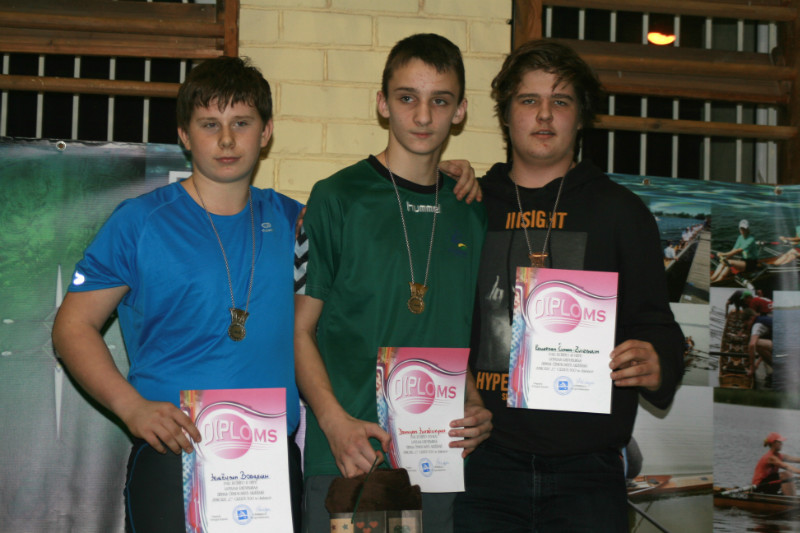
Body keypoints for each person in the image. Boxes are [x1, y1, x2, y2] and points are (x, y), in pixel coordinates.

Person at [51, 56, 306, 533]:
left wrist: (445, 180)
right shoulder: (140, 222)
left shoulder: (297, 222)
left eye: (241, 123)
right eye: (210, 124)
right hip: (173, 455)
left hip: (270, 464)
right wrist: (131, 408)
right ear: (185, 136)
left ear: (266, 132)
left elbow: (376, 241)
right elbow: (72, 327)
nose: (226, 140)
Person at [452, 40, 684, 532]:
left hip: (590, 471)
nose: (544, 115)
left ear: (580, 118)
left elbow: (656, 324)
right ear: (505, 115)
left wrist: (657, 361)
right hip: (483, 464)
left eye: (560, 101)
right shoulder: (470, 206)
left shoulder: (622, 212)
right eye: (528, 100)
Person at [294, 33, 492, 533]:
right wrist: (334, 424)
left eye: (439, 101)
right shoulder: (336, 198)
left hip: (436, 460)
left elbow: (449, 333)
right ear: (383, 103)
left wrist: (473, 403)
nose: (423, 116)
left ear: (460, 111)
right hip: (349, 456)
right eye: (407, 98)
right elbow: (298, 330)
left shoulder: (469, 211)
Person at [711, 219, 760, 283]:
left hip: (751, 264)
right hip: (743, 261)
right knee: (724, 261)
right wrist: (726, 258)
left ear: (747, 229)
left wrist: (723, 254)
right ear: (739, 229)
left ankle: (719, 280)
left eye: (744, 229)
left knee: (729, 262)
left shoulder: (751, 239)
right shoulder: (740, 237)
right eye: (741, 228)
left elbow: (738, 250)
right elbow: (733, 250)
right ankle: (712, 278)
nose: (742, 230)